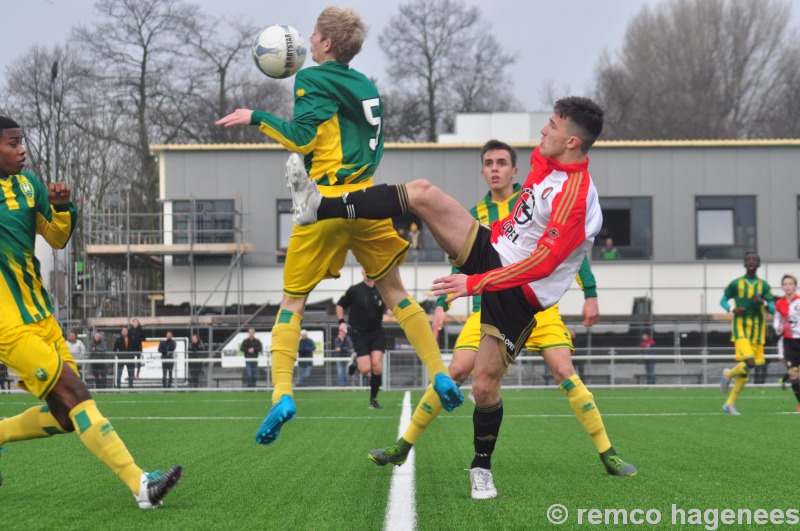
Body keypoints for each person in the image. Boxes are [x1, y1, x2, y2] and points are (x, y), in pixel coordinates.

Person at [290, 97, 631, 498]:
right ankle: (318, 206)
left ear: (573, 142)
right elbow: (522, 225)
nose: (543, 131)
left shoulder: (575, 195)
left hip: (518, 294)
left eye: (553, 126)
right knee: (422, 192)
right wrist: (480, 259)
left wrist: (473, 283)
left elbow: (541, 263)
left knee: (485, 387)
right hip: (493, 252)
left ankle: (481, 467)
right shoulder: (545, 160)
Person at [215, 6, 461, 445]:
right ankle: (439, 374)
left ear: (327, 44)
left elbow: (302, 139)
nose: (308, 40)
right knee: (398, 295)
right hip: (365, 201)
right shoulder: (367, 86)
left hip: (323, 204)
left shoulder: (311, 79)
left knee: (292, 303)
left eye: (313, 34)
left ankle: (282, 395)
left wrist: (256, 117)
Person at [365, 139, 635, 486]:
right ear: (482, 171)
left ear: (514, 170)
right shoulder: (475, 213)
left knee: (564, 370)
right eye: (489, 163)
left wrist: (591, 294)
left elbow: (570, 249)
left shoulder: (539, 197)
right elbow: (460, 263)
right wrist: (443, 305)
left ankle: (607, 452)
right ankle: (403, 445)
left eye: (501, 163)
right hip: (487, 307)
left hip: (537, 309)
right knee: (458, 369)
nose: (495, 169)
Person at [0, 116, 181, 506]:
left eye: (22, 141)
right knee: (75, 392)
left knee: (66, 418)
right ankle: (141, 484)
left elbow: (58, 239)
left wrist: (64, 208)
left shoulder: (29, 185)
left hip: (43, 316)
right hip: (9, 326)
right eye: (13, 143)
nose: (22, 149)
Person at [719, 252, 775, 415]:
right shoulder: (736, 284)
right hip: (741, 327)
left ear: (758, 264)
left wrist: (763, 302)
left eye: (754, 260)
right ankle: (728, 375)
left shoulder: (764, 286)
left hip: (758, 331)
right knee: (749, 363)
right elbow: (723, 300)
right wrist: (732, 309)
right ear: (744, 263)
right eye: (748, 260)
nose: (751, 262)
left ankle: (729, 404)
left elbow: (772, 308)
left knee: (746, 371)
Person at [336, 270, 388, 408]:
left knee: (377, 367)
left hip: (377, 332)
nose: (368, 272)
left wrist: (394, 311)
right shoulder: (355, 290)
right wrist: (341, 321)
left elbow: (389, 307)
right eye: (366, 269)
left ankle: (373, 400)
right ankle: (355, 359)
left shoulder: (381, 290)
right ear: (362, 272)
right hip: (359, 334)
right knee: (365, 370)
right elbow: (340, 305)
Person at [773, 274, 800, 411]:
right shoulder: (779, 304)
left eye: (790, 284)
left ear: (795, 286)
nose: (788, 286)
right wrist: (778, 328)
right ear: (782, 287)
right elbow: (777, 319)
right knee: (793, 374)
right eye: (785, 284)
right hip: (789, 342)